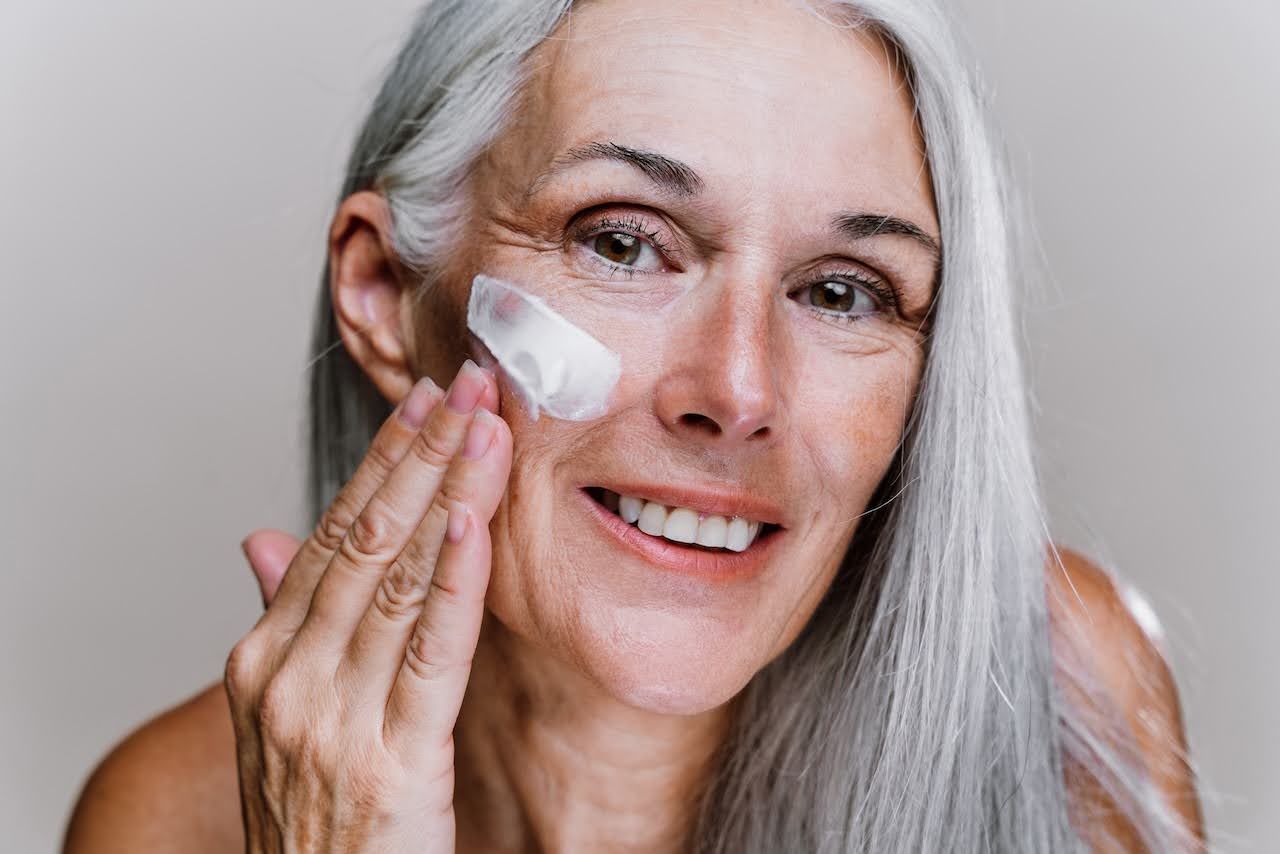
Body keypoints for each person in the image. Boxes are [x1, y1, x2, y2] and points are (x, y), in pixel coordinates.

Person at [63, 0, 1207, 850]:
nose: (737, 390)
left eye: (842, 289)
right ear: (381, 295)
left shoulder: (1055, 697)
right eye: (621, 241)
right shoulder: (172, 817)